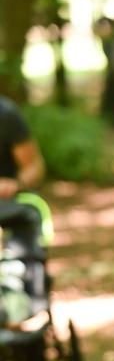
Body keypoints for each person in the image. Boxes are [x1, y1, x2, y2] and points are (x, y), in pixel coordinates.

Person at [0, 96, 47, 325]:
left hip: (8, 205)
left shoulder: (6, 115)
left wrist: (15, 183)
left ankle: (21, 305)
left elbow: (34, 167)